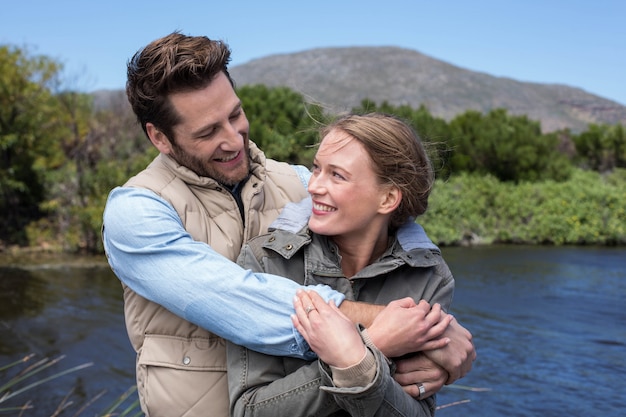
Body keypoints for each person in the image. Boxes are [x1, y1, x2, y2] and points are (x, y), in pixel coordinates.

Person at [102, 32, 475, 417]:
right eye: (208, 132)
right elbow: (242, 302)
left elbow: (391, 217)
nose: (234, 140)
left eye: (234, 115)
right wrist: (407, 330)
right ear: (159, 137)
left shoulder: (301, 184)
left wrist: (441, 334)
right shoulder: (136, 212)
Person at [228, 113, 471, 416]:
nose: (314, 186)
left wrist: (356, 361)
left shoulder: (429, 276)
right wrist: (368, 349)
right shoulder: (265, 260)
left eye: (337, 175)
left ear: (387, 199)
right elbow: (249, 411)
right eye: (316, 169)